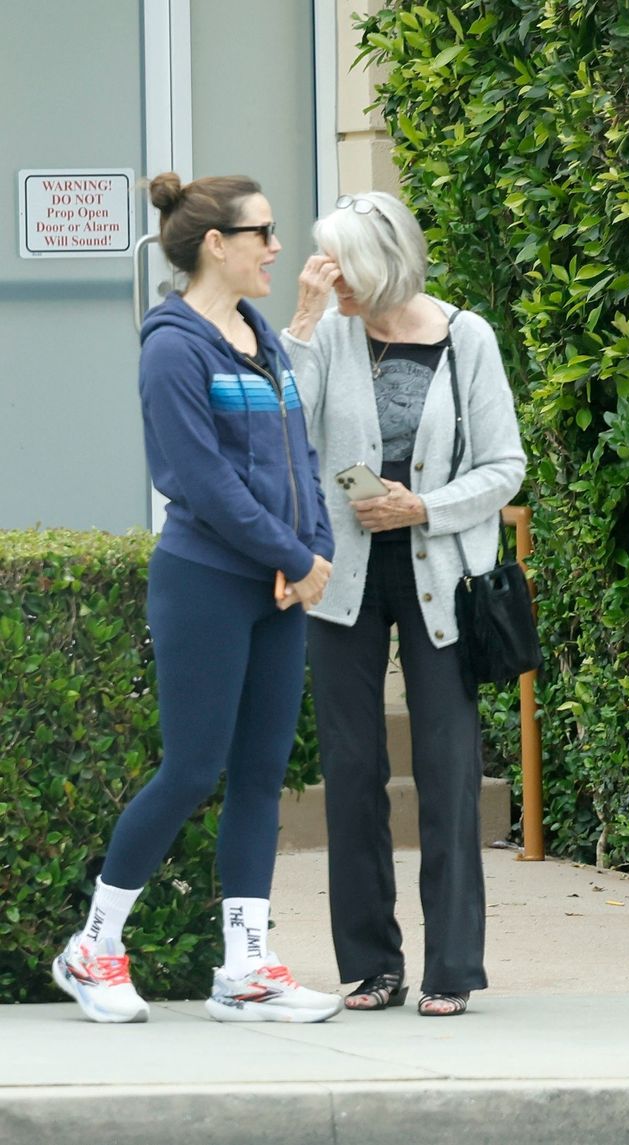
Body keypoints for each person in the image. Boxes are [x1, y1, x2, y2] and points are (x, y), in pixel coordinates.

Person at [52, 174, 341, 1024]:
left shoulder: (261, 337)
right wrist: (291, 551)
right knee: (191, 769)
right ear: (215, 242)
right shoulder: (172, 347)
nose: (277, 248)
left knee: (259, 776)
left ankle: (245, 970)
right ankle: (92, 948)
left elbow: (299, 455)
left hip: (275, 586)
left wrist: (311, 548)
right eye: (264, 232)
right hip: (206, 580)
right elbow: (202, 481)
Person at [282, 191, 526, 1017]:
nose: (329, 275)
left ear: (385, 263)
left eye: (341, 264)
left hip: (440, 572)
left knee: (448, 770)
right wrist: (306, 325)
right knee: (352, 770)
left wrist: (421, 506)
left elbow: (504, 466)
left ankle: (452, 966)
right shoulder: (330, 332)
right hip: (341, 574)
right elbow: (286, 426)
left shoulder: (468, 338)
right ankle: (372, 964)